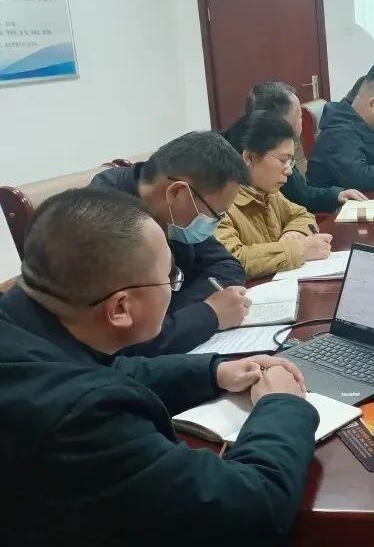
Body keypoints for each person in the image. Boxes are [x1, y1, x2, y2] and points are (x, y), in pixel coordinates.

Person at [0, 188, 318, 546]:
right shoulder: (81, 420)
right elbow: (250, 510)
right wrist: (282, 405)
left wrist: (214, 372)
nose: (173, 286)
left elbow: (106, 369)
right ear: (121, 308)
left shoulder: (22, 322)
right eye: (170, 277)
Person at [90, 132, 251, 356]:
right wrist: (208, 314)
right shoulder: (100, 224)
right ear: (178, 193)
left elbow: (227, 267)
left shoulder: (175, 215)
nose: (215, 223)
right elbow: (121, 343)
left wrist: (173, 316)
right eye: (215, 214)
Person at [219, 111, 333, 279]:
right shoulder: (218, 202)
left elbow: (301, 214)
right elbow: (232, 261)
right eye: (283, 160)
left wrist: (294, 233)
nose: (289, 170)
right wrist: (298, 250)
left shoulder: (267, 192)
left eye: (291, 161)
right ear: (249, 157)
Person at [238, 81, 365, 213]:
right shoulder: (252, 171)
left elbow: (299, 200)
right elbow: (299, 201)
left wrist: (336, 195)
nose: (288, 171)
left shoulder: (278, 151)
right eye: (299, 116)